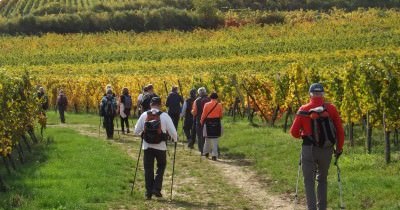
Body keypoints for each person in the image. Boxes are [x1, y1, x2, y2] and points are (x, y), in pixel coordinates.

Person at [290, 83, 344, 210]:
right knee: (322, 179)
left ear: (310, 94)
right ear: (323, 94)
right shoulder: (331, 109)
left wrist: (303, 136)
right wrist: (339, 148)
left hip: (309, 149)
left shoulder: (303, 109)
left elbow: (293, 132)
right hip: (327, 149)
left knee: (309, 181)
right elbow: (340, 131)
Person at [134, 97, 178, 200]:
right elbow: (173, 133)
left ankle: (148, 192)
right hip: (161, 147)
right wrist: (175, 140)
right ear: (160, 105)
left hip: (147, 146)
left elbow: (136, 131)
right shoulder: (165, 116)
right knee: (161, 166)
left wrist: (142, 134)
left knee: (148, 169)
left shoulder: (144, 115)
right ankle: (156, 189)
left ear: (150, 104)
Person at [200, 92, 223, 161]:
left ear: (210, 98)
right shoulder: (219, 105)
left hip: (208, 123)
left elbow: (203, 115)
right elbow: (221, 116)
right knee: (215, 140)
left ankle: (206, 152)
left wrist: (201, 122)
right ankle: (214, 155)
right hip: (216, 123)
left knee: (207, 139)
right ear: (217, 98)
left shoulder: (206, 105)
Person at [191, 87, 210, 154]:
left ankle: (202, 150)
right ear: (205, 92)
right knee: (208, 135)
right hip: (209, 120)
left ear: (199, 93)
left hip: (199, 120)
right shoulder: (209, 99)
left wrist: (192, 111)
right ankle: (209, 149)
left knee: (200, 136)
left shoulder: (197, 101)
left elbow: (194, 112)